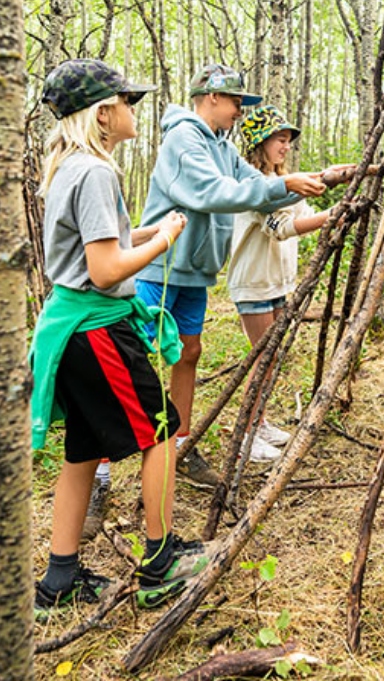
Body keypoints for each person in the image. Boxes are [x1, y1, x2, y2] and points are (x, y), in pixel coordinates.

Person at [26, 59, 211, 613]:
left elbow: (100, 242)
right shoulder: (98, 173)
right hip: (97, 329)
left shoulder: (69, 168)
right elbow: (106, 270)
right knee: (160, 433)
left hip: (70, 329)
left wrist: (149, 230)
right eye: (127, 102)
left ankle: (59, 578)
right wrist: (167, 238)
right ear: (104, 114)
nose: (134, 109)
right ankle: (160, 563)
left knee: (83, 452)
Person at [132, 64, 352, 488]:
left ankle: (180, 446)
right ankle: (103, 468)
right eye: (235, 101)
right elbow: (214, 193)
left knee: (188, 354)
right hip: (161, 265)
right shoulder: (183, 139)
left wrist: (323, 178)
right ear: (212, 97)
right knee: (133, 358)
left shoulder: (222, 146)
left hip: (196, 271)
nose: (239, 110)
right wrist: (283, 183)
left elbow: (258, 186)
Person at [223, 105, 334, 464]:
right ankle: (247, 435)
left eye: (288, 140)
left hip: (275, 282)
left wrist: (326, 201)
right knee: (262, 359)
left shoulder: (284, 184)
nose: (286, 147)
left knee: (271, 359)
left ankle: (261, 421)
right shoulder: (252, 187)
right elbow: (281, 228)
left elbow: (299, 215)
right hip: (253, 282)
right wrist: (330, 217)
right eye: (279, 140)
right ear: (261, 143)